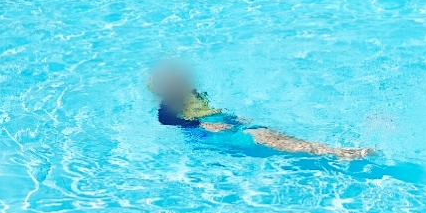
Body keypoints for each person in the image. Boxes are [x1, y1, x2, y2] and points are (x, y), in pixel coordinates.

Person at [150, 63, 373, 161]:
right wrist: (204, 126)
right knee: (263, 137)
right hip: (209, 135)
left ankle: (326, 150)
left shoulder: (193, 94)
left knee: (268, 132)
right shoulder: (169, 105)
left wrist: (232, 118)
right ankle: (334, 153)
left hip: (223, 125)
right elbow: (167, 120)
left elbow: (209, 110)